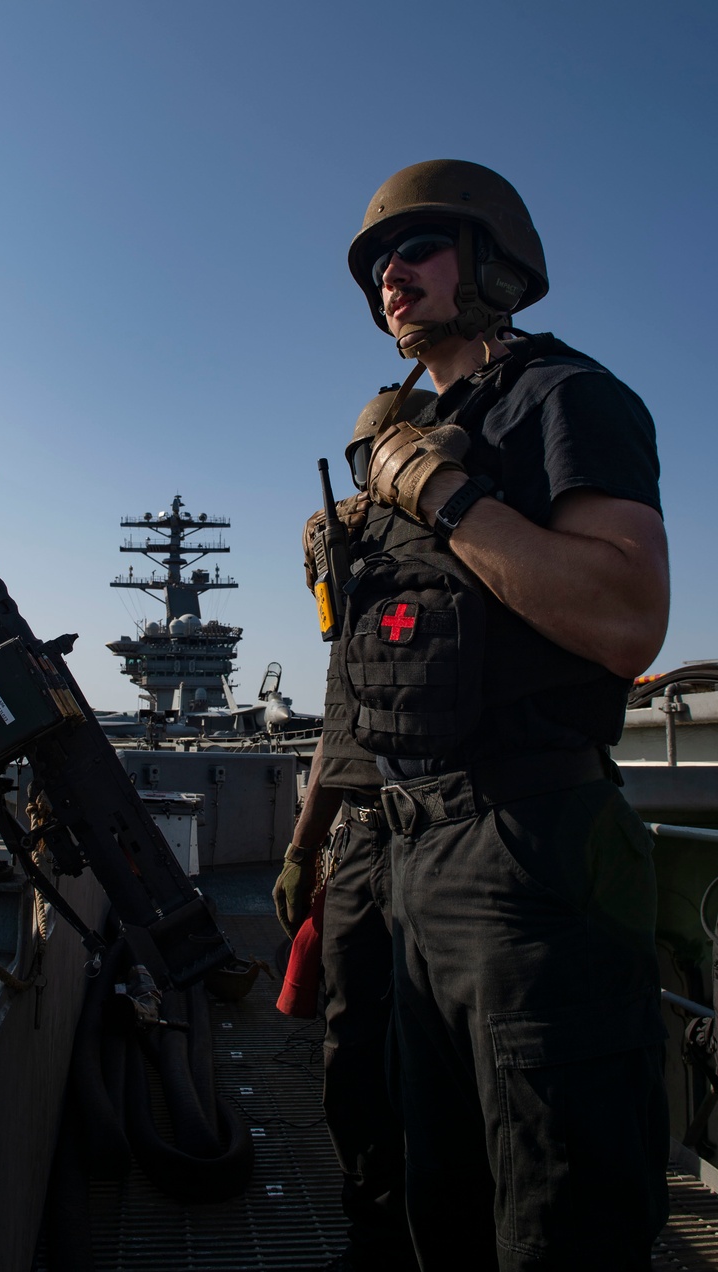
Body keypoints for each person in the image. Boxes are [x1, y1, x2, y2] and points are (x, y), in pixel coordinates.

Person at [341, 159, 670, 1270]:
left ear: (493, 264)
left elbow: (627, 619)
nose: (392, 272)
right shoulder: (431, 431)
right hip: (412, 858)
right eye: (381, 262)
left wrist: (436, 494)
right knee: (448, 1206)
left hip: (532, 862)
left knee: (558, 1218)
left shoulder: (563, 399)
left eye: (420, 249)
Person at [273, 385, 434, 1272]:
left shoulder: (446, 548)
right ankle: (381, 1238)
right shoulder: (362, 573)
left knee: (403, 1059)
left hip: (444, 835)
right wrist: (305, 850)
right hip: (376, 838)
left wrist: (303, 851)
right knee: (359, 1054)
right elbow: (344, 727)